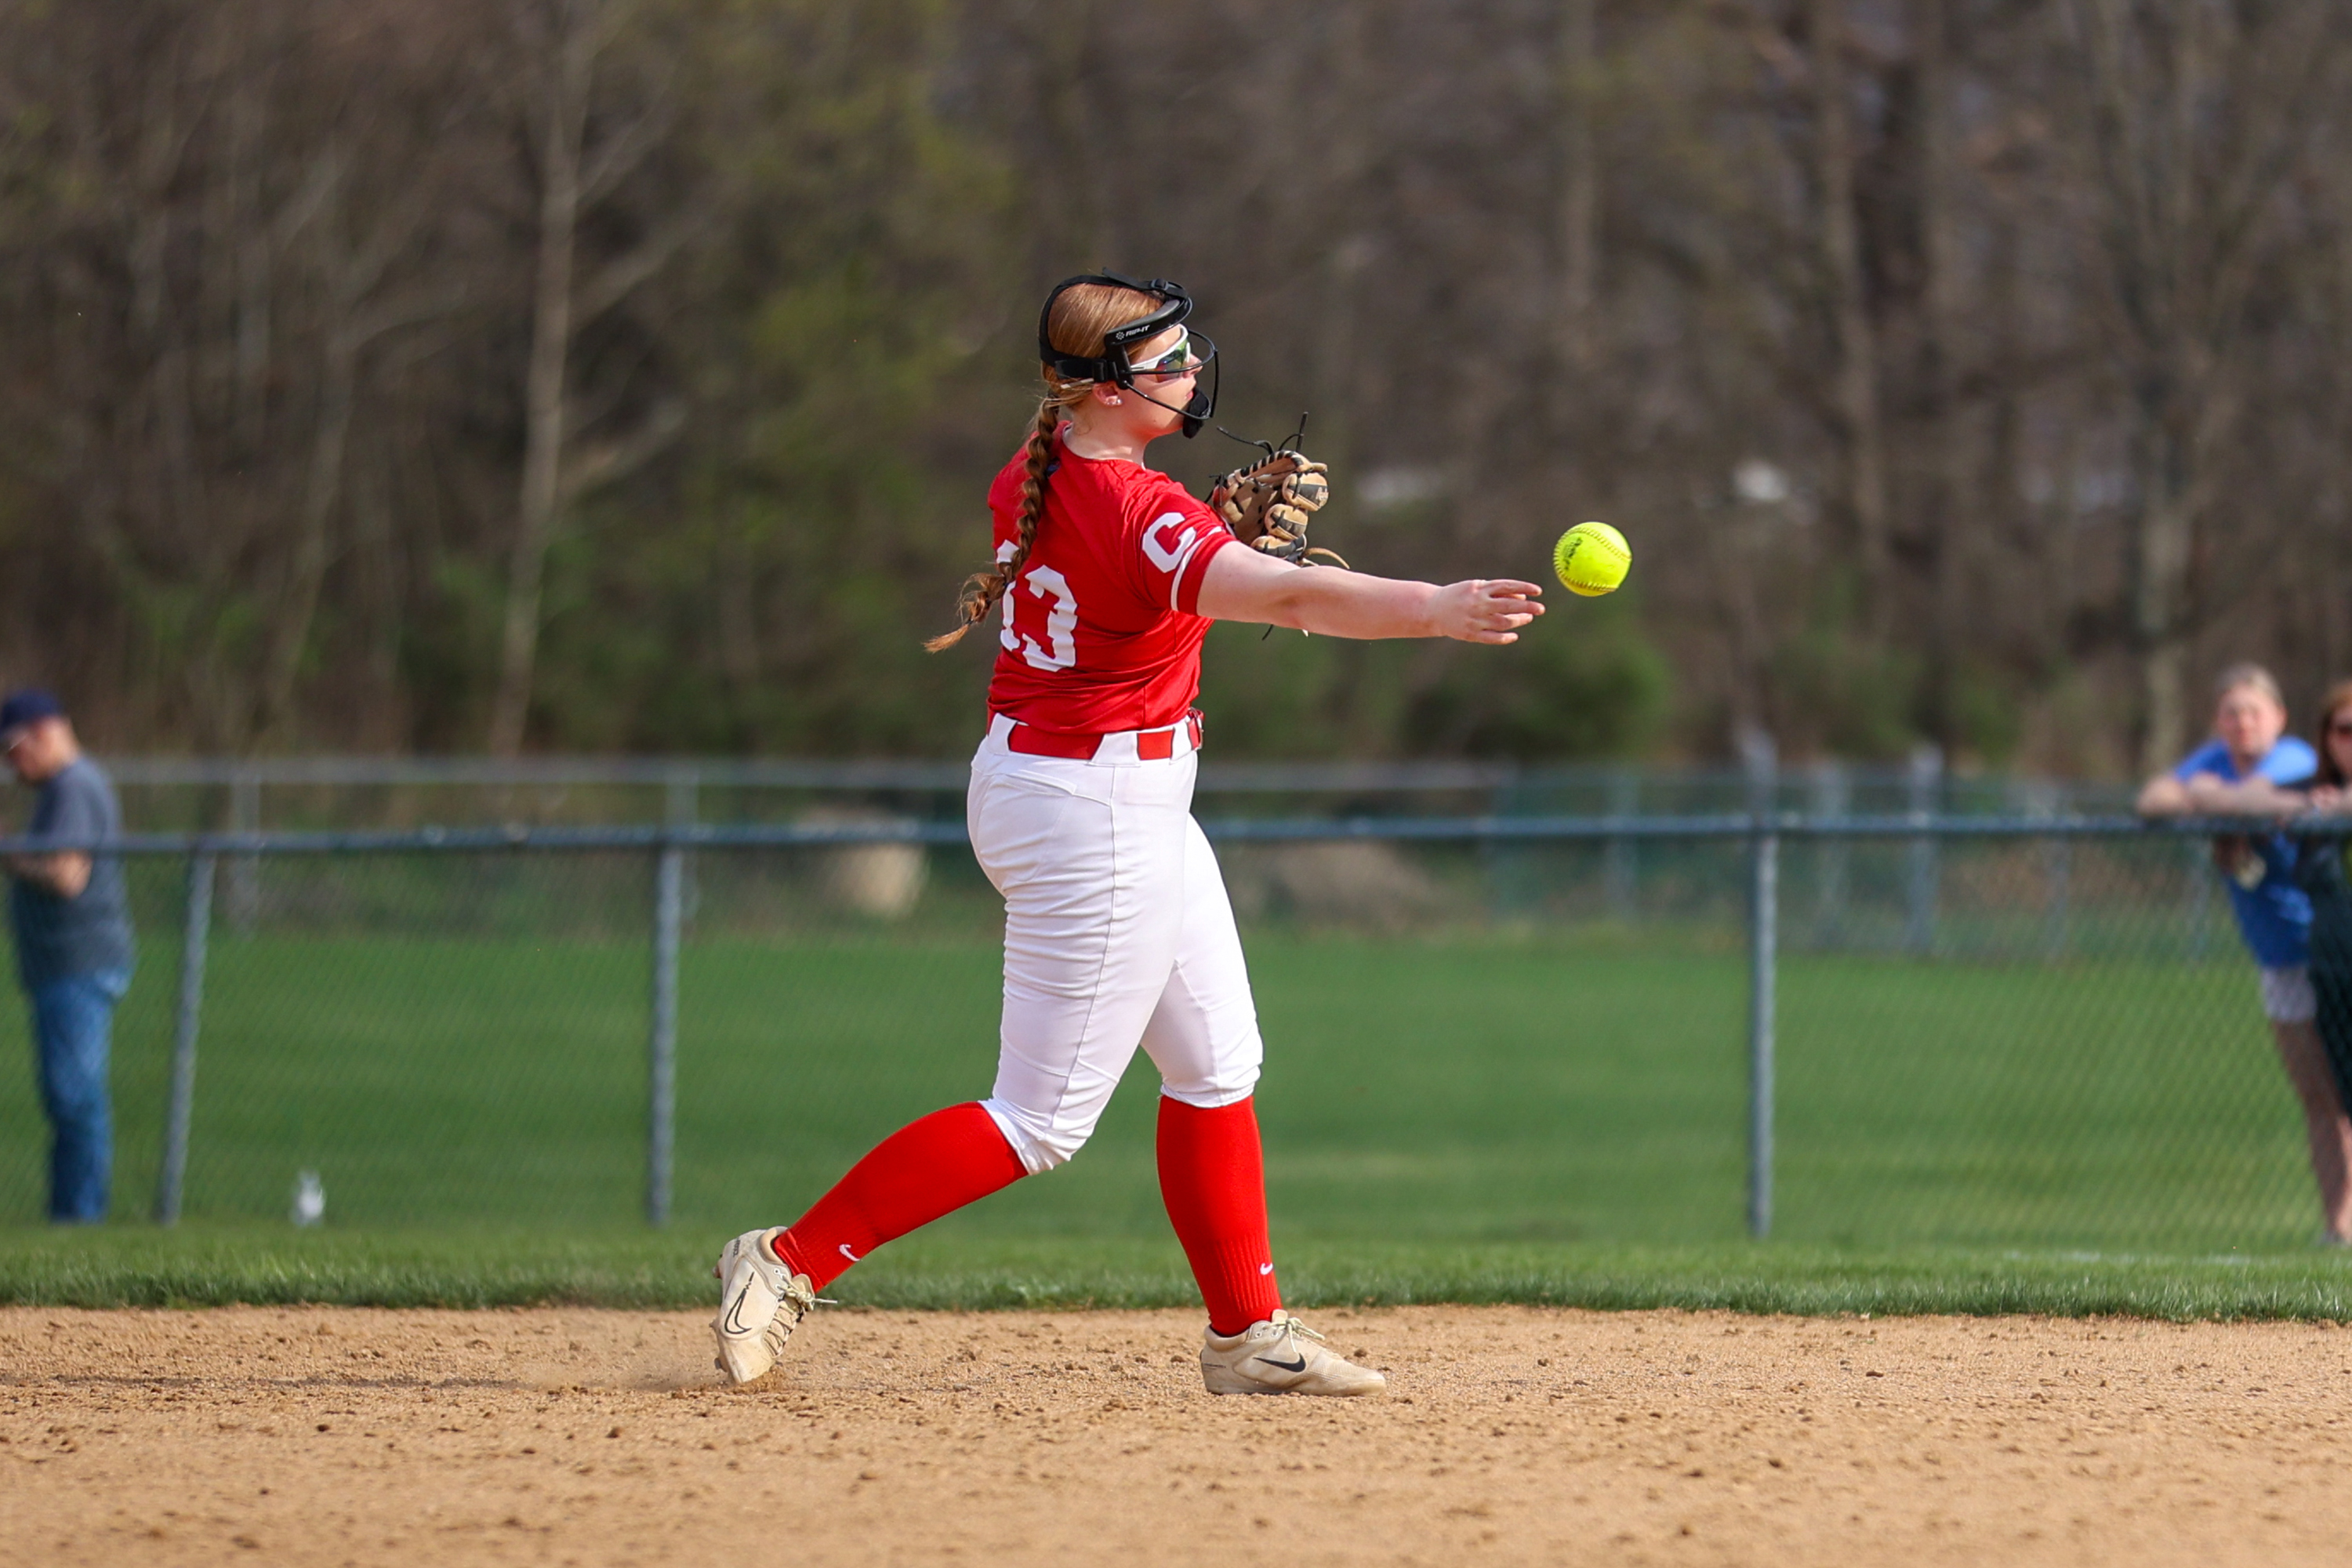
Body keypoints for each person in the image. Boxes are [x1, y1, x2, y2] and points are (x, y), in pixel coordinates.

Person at [711, 274, 1544, 1394]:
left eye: (1188, 351)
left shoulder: (1042, 466)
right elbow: (1293, 601)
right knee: (1039, 1119)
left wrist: (1201, 538)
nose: (1192, 372)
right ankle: (786, 1260)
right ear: (1098, 390)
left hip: (1077, 790)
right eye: (1165, 361)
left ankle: (1248, 1333)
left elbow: (1143, 565)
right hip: (1092, 813)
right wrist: (1435, 608)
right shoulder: (1138, 512)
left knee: (1215, 1064)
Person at [2136, 663, 2347, 1241]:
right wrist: (2209, 795)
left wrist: (2210, 798)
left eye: (2254, 711)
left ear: (2279, 717)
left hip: (2328, 948)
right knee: (2317, 1096)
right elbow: (2155, 799)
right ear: (2217, 722)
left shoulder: (2298, 760)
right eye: (2231, 712)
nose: (2243, 722)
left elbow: (2259, 801)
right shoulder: (2213, 761)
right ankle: (2337, 1229)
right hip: (2277, 955)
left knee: (2342, 1089)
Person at [2, 689, 136, 1224]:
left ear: (43, 732)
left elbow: (65, 873)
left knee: (75, 1097)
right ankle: (71, 1216)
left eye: (15, 751)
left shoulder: (72, 786)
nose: (14, 767)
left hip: (77, 965)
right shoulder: (69, 786)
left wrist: (8, 855)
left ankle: (80, 1219)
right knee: (69, 1097)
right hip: (66, 966)